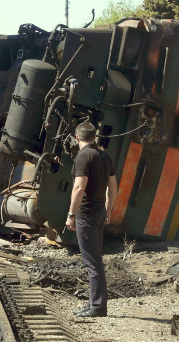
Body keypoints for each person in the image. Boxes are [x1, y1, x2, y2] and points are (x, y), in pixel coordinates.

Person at [65, 122, 117, 318]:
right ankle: (94, 304)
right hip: (98, 214)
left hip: (86, 214)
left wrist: (71, 214)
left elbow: (79, 187)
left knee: (92, 262)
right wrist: (108, 210)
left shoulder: (83, 156)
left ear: (77, 138)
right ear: (94, 137)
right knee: (95, 260)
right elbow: (113, 187)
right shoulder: (104, 156)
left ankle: (97, 307)